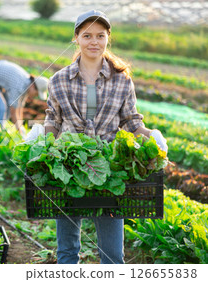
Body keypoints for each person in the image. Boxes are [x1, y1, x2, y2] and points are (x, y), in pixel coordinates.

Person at [44, 10, 168, 264]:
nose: (94, 41)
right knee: (67, 252)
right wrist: (44, 147)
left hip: (108, 170)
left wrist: (152, 138)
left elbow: (132, 121)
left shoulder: (122, 80)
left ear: (107, 38)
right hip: (70, 168)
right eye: (87, 35)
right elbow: (52, 122)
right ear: (76, 38)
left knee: (112, 256)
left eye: (100, 36)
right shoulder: (58, 81)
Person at [0, 60, 49, 136]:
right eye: (37, 93)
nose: (36, 95)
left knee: (5, 108)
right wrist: (20, 132)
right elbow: (13, 111)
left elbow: (19, 107)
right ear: (33, 86)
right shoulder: (19, 86)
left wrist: (21, 127)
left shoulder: (26, 84)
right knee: (1, 107)